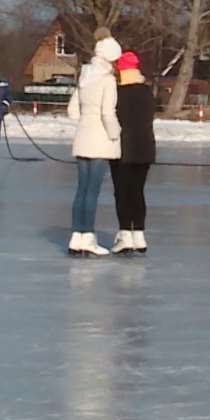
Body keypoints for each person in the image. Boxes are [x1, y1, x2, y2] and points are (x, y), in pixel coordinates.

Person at [66, 27, 122, 256]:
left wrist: (85, 123)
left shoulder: (85, 76)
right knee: (92, 191)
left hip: (83, 138)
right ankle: (88, 236)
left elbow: (72, 110)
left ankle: (76, 236)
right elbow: (108, 113)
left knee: (81, 189)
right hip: (99, 141)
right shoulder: (107, 80)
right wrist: (115, 133)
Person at [109, 50, 156, 255]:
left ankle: (125, 234)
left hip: (123, 149)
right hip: (145, 148)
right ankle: (139, 234)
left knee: (122, 192)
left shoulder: (118, 92)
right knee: (138, 191)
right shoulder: (147, 91)